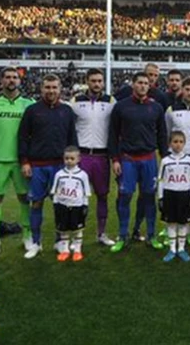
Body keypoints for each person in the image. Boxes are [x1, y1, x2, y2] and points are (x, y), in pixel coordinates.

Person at [18, 73, 78, 259]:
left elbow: (72, 139)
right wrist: (25, 162)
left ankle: (60, 242)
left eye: (54, 87)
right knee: (36, 203)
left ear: (60, 89)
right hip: (38, 166)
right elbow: (22, 138)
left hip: (60, 167)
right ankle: (36, 242)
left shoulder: (67, 111)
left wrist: (73, 163)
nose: (51, 91)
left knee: (61, 205)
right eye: (47, 87)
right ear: (41, 88)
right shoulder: (32, 110)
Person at [108, 71, 168, 253]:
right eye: (140, 82)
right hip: (127, 159)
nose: (143, 85)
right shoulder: (121, 107)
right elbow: (113, 134)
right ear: (133, 84)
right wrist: (115, 159)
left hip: (149, 159)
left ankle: (151, 235)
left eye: (146, 83)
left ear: (150, 86)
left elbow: (162, 135)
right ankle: (123, 235)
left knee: (149, 197)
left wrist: (165, 159)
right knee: (125, 197)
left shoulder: (156, 108)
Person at [0, 67, 35, 256]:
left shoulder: (28, 104)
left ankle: (27, 235)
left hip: (21, 160)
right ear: (1, 81)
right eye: (7, 77)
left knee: (25, 199)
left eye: (14, 77)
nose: (11, 80)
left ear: (19, 81)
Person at [70, 68, 116, 247]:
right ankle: (76, 236)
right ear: (87, 81)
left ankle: (101, 234)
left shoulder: (111, 101)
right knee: (77, 197)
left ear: (103, 82)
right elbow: (68, 127)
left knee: (102, 196)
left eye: (99, 81)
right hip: (81, 156)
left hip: (101, 156)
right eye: (93, 81)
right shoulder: (76, 101)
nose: (97, 84)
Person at [158, 131, 190, 262]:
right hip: (170, 195)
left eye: (181, 142)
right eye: (175, 141)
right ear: (170, 144)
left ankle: (181, 248)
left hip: (184, 195)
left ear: (184, 144)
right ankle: (172, 249)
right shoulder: (165, 161)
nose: (178, 145)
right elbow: (161, 180)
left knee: (183, 223)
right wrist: (160, 197)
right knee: (171, 223)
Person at [50, 146, 91, 262]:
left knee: (77, 229)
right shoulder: (59, 174)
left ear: (78, 159)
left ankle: (77, 250)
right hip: (62, 206)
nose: (69, 160)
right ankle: (65, 250)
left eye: (72, 158)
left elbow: (86, 192)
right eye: (66, 158)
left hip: (77, 206)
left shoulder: (83, 175)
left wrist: (85, 205)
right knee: (63, 229)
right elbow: (55, 191)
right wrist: (56, 204)